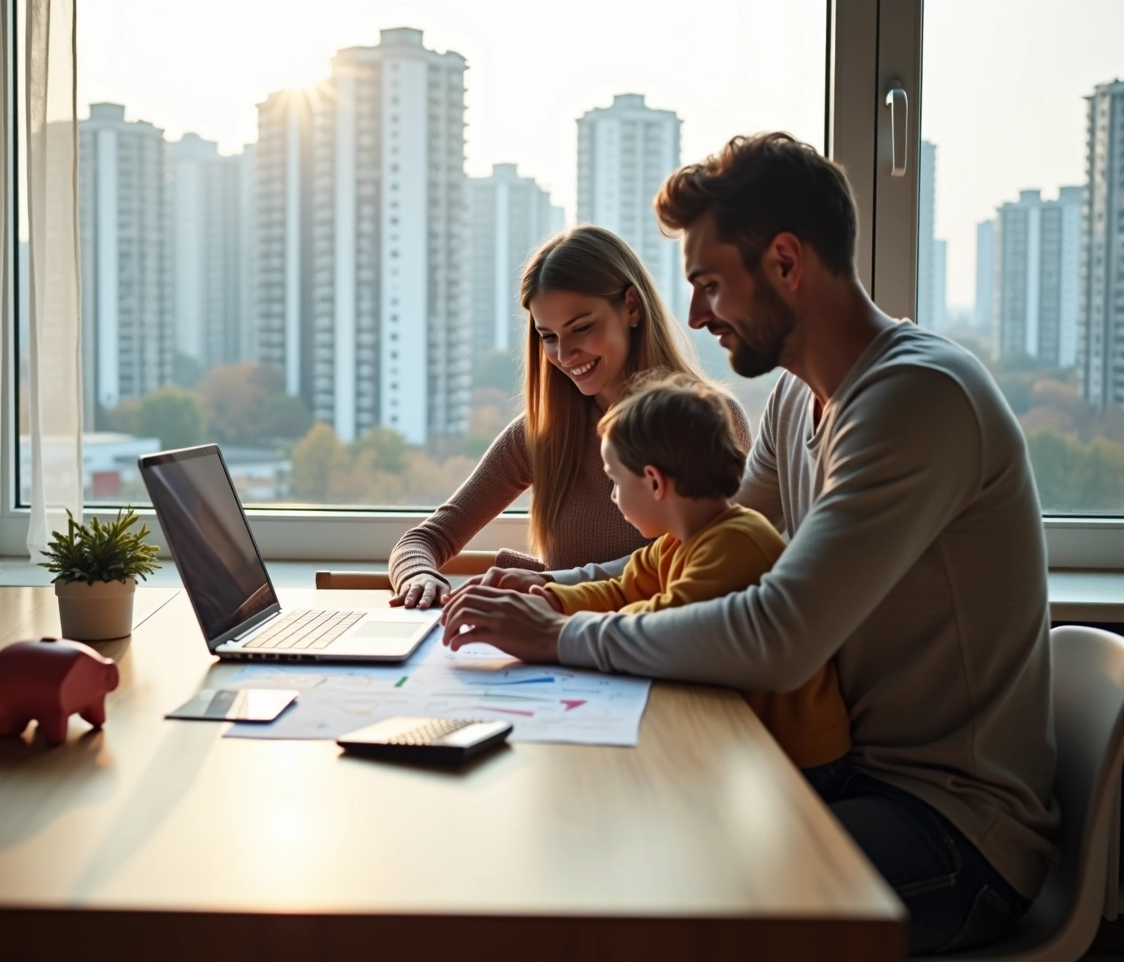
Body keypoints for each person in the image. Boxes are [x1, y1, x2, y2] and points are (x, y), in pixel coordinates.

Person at [439, 133, 1058, 955]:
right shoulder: (801, 403)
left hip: (951, 826)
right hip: (849, 775)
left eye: (708, 284)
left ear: (786, 262)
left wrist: (560, 634)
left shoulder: (916, 398)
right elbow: (693, 549)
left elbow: (777, 635)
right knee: (603, 839)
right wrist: (553, 591)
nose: (695, 315)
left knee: (653, 893)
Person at [386, 225, 750, 610]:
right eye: (549, 336)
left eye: (581, 328)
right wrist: (419, 577)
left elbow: (704, 562)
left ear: (631, 306)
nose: (565, 354)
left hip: (661, 644)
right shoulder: (542, 433)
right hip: (556, 643)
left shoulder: (712, 421)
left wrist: (551, 583)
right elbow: (423, 540)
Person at [537, 371, 849, 776]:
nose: (613, 496)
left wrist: (554, 630)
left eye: (615, 481)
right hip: (747, 735)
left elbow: (668, 622)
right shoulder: (676, 542)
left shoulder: (736, 543)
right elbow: (621, 591)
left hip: (803, 756)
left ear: (654, 482)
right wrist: (549, 599)